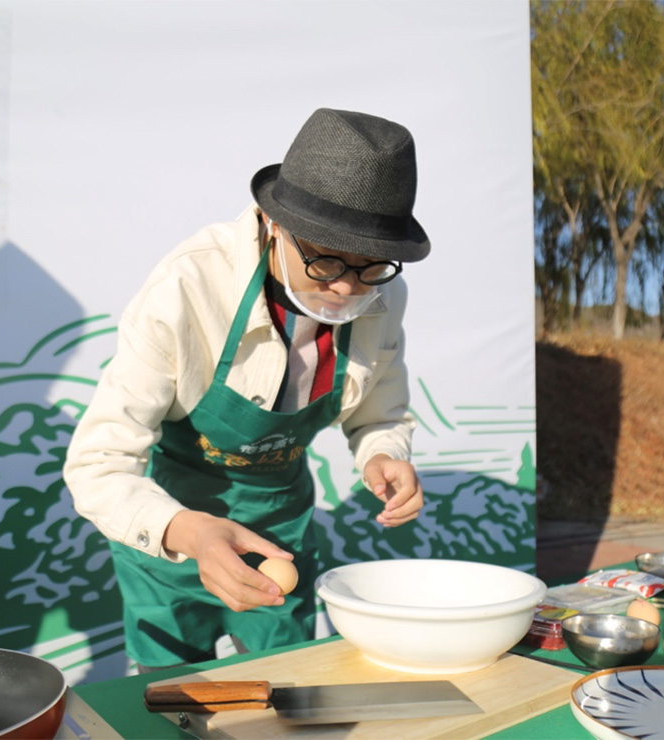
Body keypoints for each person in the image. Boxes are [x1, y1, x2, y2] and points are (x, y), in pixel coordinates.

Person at [63, 108, 430, 671]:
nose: (344, 287)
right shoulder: (189, 286)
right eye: (325, 259)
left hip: (279, 528)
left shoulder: (382, 297)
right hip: (171, 533)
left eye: (371, 266)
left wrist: (384, 453)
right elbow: (97, 463)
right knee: (170, 699)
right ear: (273, 223)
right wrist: (189, 533)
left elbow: (379, 414)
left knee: (282, 690)